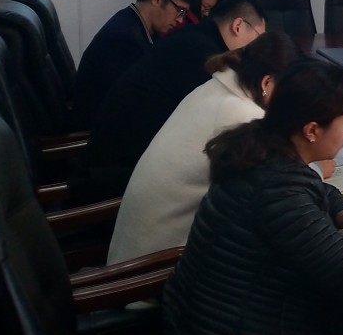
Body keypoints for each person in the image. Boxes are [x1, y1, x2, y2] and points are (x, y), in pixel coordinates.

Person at [162, 60, 343, 335]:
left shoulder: (258, 148)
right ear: (311, 130)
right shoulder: (277, 190)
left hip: (198, 316)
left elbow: (312, 188)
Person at [106, 32, 305, 265]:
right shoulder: (242, 115)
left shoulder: (214, 88)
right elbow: (283, 189)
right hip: (157, 267)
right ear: (267, 83)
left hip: (134, 248)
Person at [72, 0, 268, 202]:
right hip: (120, 173)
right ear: (238, 26)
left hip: (112, 157)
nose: (257, 50)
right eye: (259, 39)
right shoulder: (204, 56)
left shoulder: (192, 38)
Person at [72, 0, 189, 131]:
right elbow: (132, 103)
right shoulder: (123, 40)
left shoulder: (133, 22)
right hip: (100, 130)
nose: (180, 20)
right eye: (180, 11)